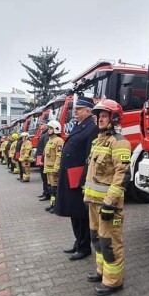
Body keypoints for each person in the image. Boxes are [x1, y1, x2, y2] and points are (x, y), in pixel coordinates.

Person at [83, 99, 130, 296]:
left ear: (114, 118)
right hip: (93, 203)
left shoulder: (119, 142)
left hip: (108, 205)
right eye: (98, 116)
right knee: (97, 240)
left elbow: (122, 175)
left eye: (104, 116)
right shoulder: (97, 141)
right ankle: (102, 272)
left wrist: (110, 203)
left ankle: (113, 281)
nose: (100, 119)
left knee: (110, 243)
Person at [54, 96, 98, 261]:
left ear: (88, 111)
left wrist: (84, 180)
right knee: (74, 212)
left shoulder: (91, 128)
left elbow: (89, 157)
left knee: (81, 214)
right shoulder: (79, 126)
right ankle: (78, 242)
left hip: (78, 178)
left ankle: (84, 246)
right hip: (70, 176)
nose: (75, 112)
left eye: (78, 109)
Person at [42, 121, 64, 212]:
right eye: (48, 128)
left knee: (55, 188)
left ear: (56, 129)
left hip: (53, 169)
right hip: (48, 169)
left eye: (51, 129)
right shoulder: (49, 140)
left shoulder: (59, 141)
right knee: (51, 188)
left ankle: (57, 206)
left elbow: (59, 155)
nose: (48, 130)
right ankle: (52, 205)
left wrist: (56, 168)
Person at [35, 123, 50, 201]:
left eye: (42, 124)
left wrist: (43, 160)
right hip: (40, 157)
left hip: (42, 157)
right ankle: (45, 192)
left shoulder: (46, 135)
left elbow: (46, 148)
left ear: (47, 126)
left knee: (45, 177)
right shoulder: (43, 134)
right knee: (43, 177)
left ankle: (47, 194)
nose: (40, 125)